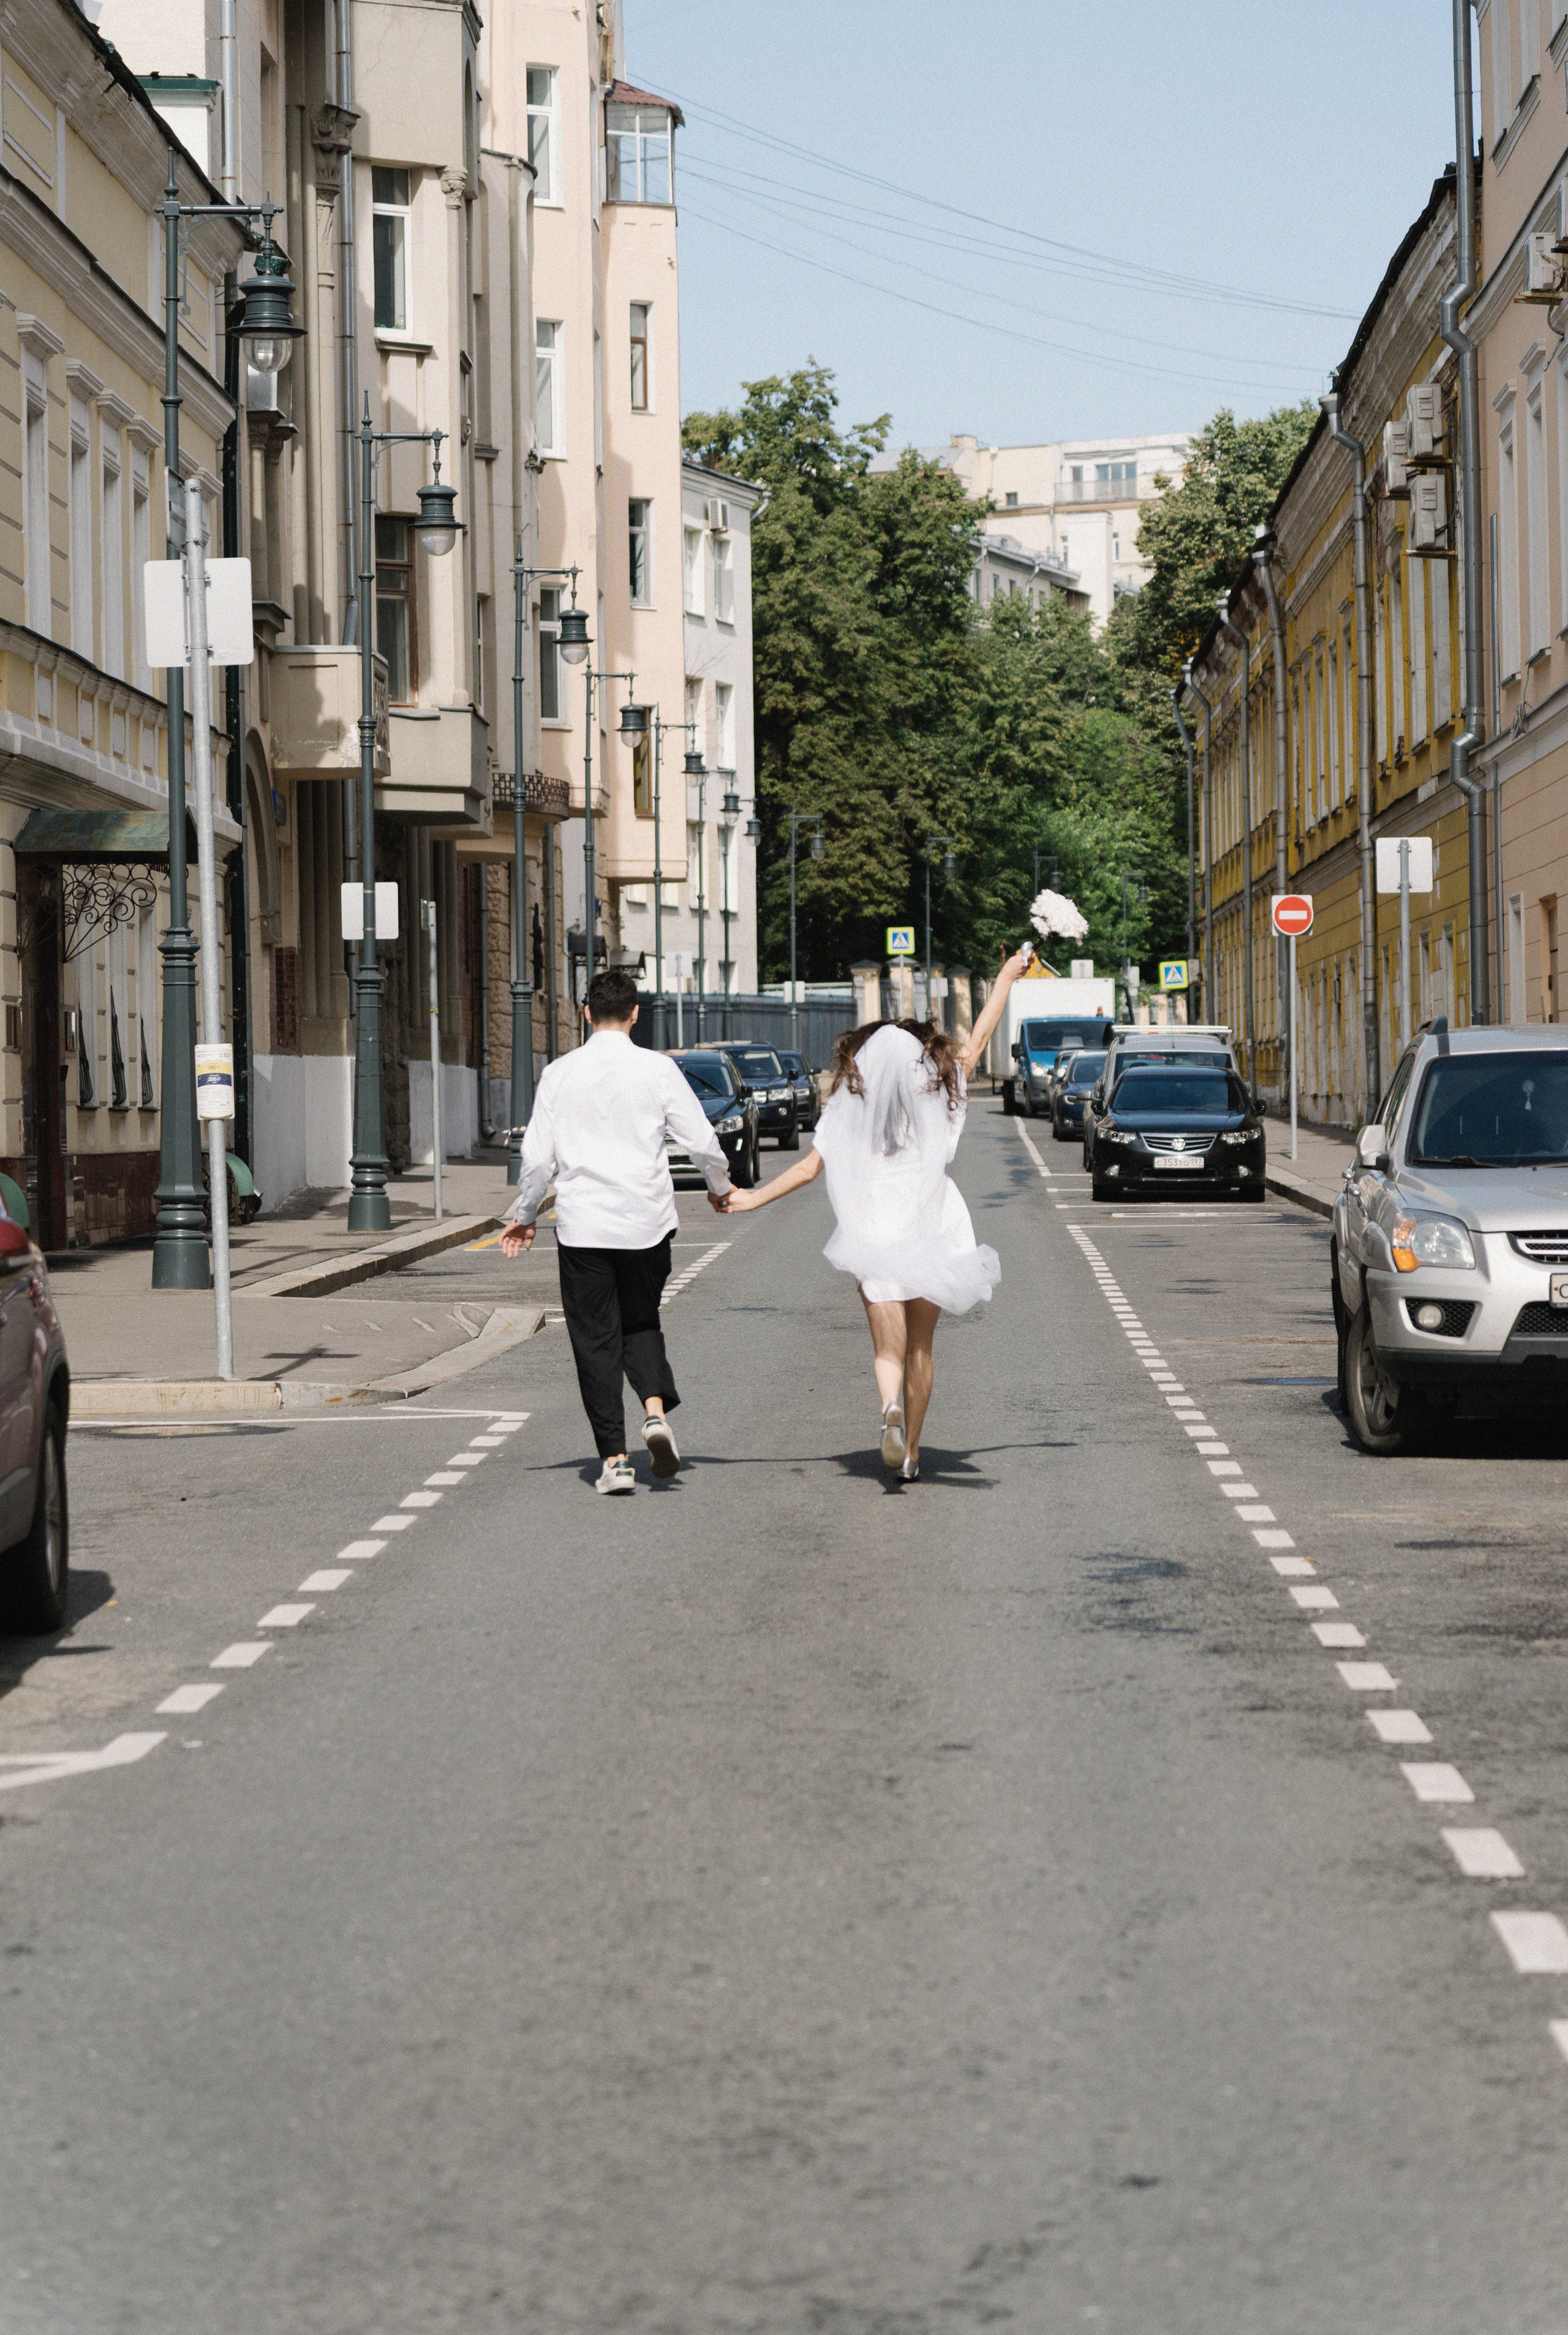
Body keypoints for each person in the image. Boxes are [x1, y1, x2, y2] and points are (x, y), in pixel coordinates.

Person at [723, 948, 1031, 1479]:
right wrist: (1006, 975)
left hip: (877, 1229)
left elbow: (808, 1170)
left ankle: (889, 1407)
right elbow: (980, 1034)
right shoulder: (945, 1087)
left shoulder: (853, 1104)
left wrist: (749, 1199)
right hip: (934, 1225)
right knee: (921, 1350)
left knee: (888, 1351)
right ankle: (911, 1453)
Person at [501, 967, 732, 1493]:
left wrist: (526, 1214)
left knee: (595, 1341)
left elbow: (537, 1159)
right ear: (635, 1014)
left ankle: (616, 1460)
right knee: (641, 1321)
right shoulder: (658, 1069)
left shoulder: (559, 1074)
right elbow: (701, 1139)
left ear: (586, 1013)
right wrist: (719, 1186)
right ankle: (655, 1413)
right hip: (647, 1222)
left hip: (584, 1226)